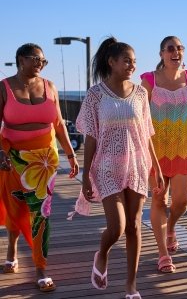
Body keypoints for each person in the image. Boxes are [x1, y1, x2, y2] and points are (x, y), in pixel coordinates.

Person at [75, 37, 164, 299]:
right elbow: (91, 136)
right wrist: (85, 175)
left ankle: (131, 286)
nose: (131, 65)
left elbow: (146, 133)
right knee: (117, 227)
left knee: (135, 227)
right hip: (105, 167)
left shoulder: (140, 93)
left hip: (136, 166)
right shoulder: (96, 95)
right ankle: (102, 253)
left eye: (134, 61)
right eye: (126, 60)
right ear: (111, 62)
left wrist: (156, 167)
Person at [0, 43, 79, 291]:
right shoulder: (4, 87)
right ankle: (12, 249)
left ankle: (40, 267)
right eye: (36, 59)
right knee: (16, 207)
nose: (40, 65)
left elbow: (58, 124)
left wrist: (70, 154)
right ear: (21, 59)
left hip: (45, 159)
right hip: (13, 158)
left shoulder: (50, 86)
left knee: (40, 213)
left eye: (43, 62)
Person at [140, 36, 187, 273]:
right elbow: (141, 116)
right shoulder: (149, 80)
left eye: (179, 48)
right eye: (170, 48)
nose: (175, 52)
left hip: (182, 147)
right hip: (155, 150)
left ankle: (171, 228)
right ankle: (163, 253)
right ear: (161, 54)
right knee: (158, 199)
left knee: (182, 201)